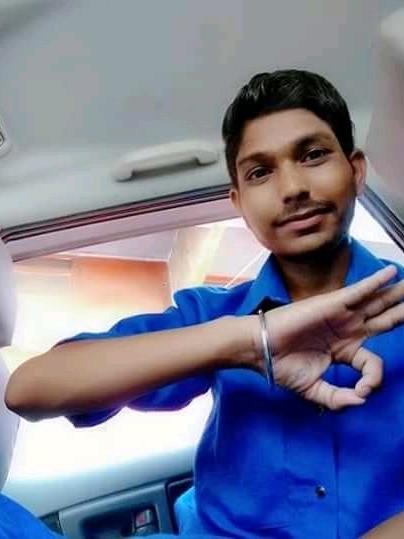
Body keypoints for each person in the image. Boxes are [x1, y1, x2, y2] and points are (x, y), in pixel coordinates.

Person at [5, 70, 404, 539]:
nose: (293, 187)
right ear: (239, 203)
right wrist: (246, 342)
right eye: (260, 172)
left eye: (313, 155)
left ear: (356, 171)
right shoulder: (216, 315)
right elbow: (29, 389)